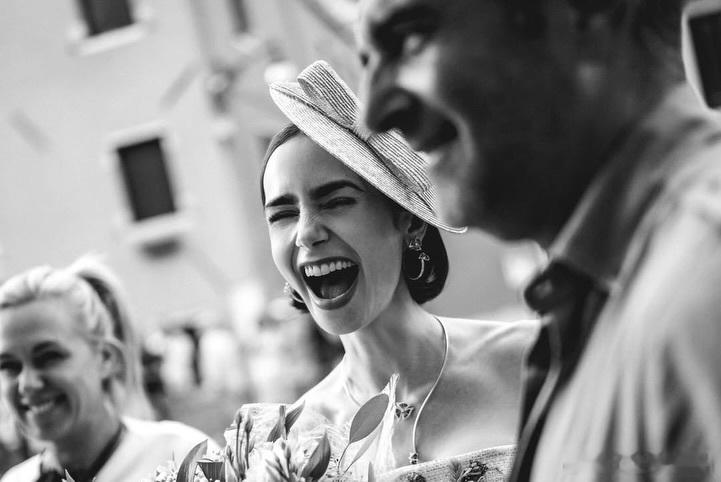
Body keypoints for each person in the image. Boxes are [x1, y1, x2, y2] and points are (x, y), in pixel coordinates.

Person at [357, 0, 721, 481]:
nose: (375, 114)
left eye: (411, 36)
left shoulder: (702, 283)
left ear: (588, 13)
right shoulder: (611, 291)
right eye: (367, 60)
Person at [260, 60, 537, 479]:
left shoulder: (532, 360)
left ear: (408, 220)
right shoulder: (289, 445)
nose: (306, 233)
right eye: (282, 214)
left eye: (336, 201)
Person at [0, 257, 218, 481]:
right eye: (8, 365)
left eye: (48, 357)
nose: (27, 383)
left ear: (106, 357)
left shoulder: (183, 457)